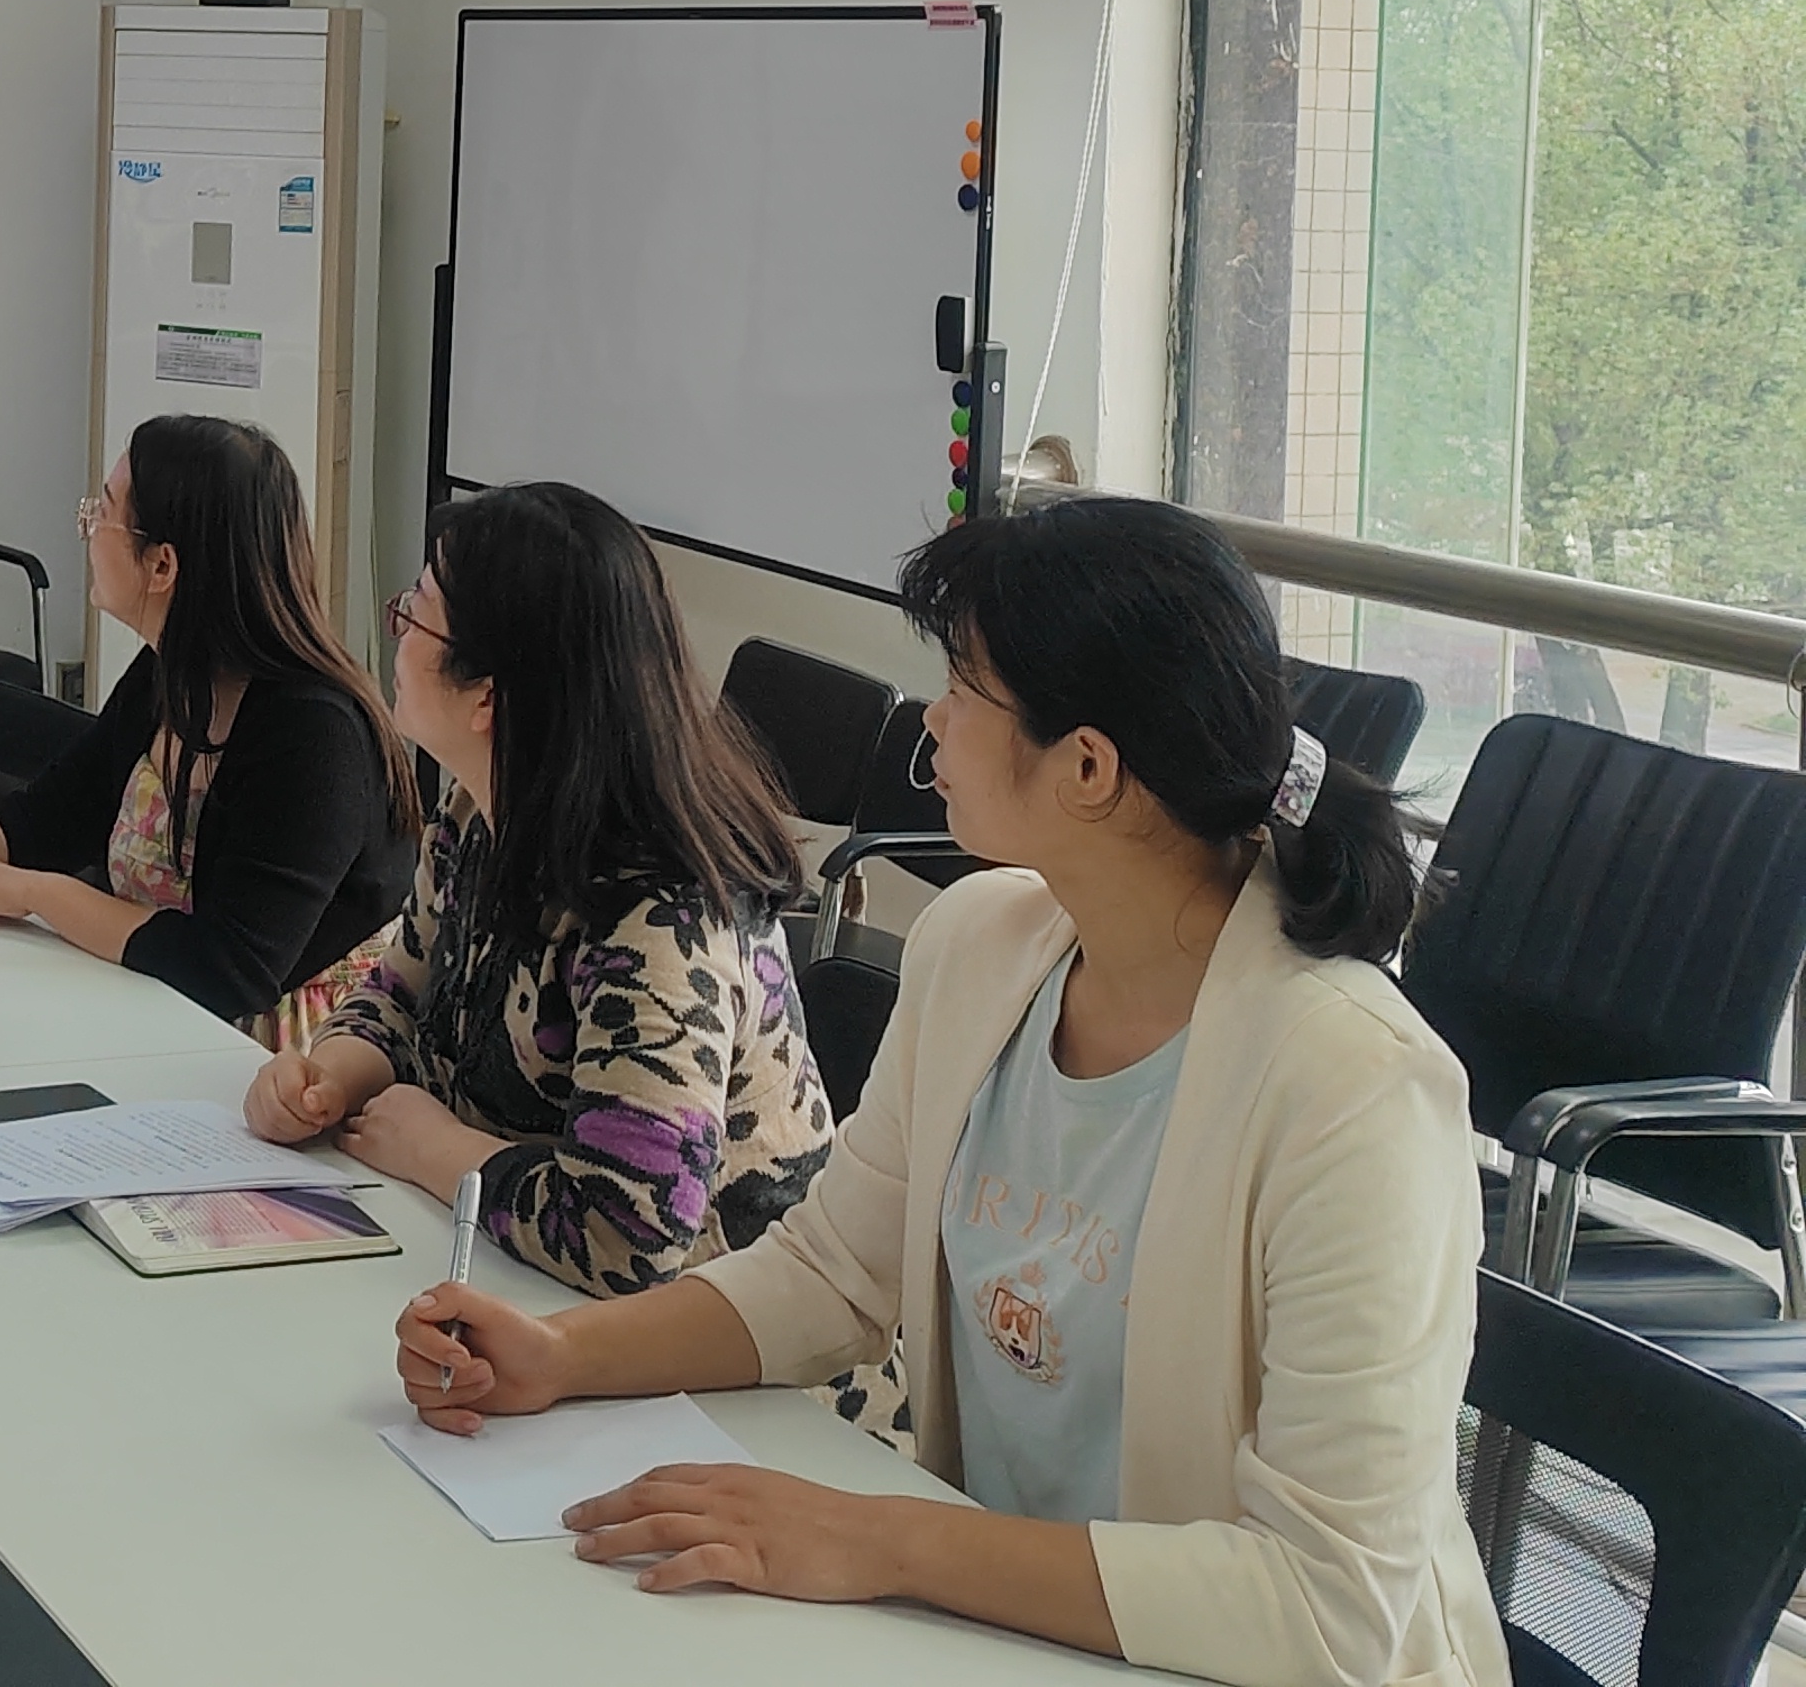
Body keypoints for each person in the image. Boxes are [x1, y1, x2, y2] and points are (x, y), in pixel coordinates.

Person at [388, 497, 1496, 1687]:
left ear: (1086, 768)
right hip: (1003, 1637)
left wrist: (879, 1541)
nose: (931, 716)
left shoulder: (1354, 1092)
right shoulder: (981, 945)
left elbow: (1329, 1611)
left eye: (963, 687)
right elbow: (829, 1272)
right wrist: (560, 1355)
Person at [244, 482, 832, 1292]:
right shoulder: (478, 809)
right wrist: (329, 1076)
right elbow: (400, 993)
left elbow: (630, 1236)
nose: (395, 634)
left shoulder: (660, 915)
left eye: (413, 615)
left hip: (720, 1342)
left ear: (488, 695)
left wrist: (441, 1153)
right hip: (517, 1286)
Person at [0, 415, 409, 1044]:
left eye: (102, 512)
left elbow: (230, 970)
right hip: (157, 1008)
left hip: (290, 1056)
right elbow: (47, 818)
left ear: (162, 565)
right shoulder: (169, 671)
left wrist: (37, 894)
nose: (86, 527)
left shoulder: (313, 735)